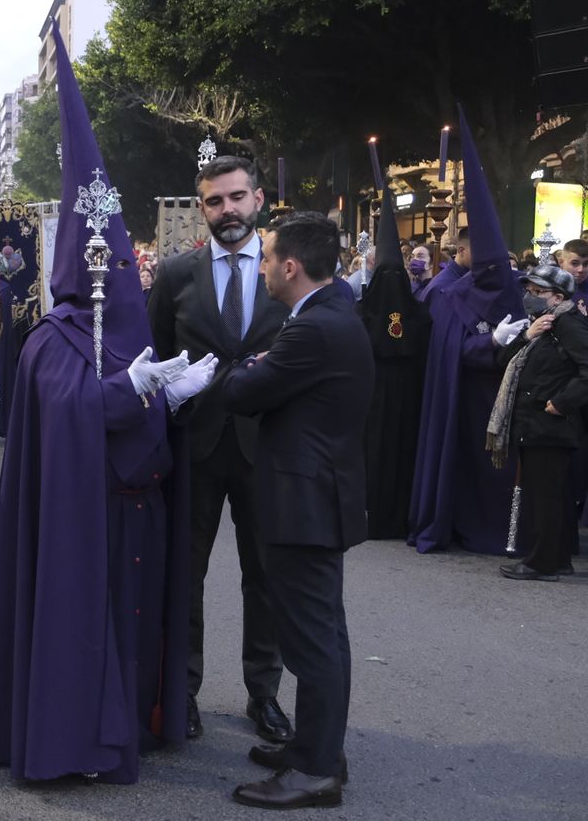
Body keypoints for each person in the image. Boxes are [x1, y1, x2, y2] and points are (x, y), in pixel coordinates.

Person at [0, 40, 207, 780]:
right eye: (104, 260)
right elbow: (63, 409)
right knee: (85, 625)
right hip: (82, 516)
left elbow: (137, 400)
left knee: (135, 623)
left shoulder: (131, 322)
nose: (118, 273)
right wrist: (134, 389)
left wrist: (169, 392)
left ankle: (134, 719)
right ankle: (76, 735)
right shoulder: (51, 335)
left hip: (142, 507)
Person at [223, 213, 372, 810]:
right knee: (322, 634)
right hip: (317, 495)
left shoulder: (312, 328)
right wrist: (262, 365)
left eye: (265, 259)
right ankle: (317, 748)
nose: (260, 270)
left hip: (303, 500)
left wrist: (246, 367)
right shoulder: (330, 312)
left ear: (289, 266)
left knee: (313, 642)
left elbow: (242, 393)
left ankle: (314, 770)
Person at [147, 155, 292, 743]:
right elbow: (156, 359)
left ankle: (265, 694)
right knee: (185, 573)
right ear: (201, 209)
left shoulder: (288, 270)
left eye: (236, 198)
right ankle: (181, 692)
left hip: (269, 446)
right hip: (196, 446)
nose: (227, 210)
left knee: (267, 577)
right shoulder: (176, 275)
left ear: (258, 200)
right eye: (214, 201)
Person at [408, 117, 528, 556]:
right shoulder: (450, 294)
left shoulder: (511, 289)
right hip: (465, 401)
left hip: (506, 402)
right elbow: (450, 353)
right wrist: (490, 343)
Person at [489, 265, 588, 581]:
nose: (529, 297)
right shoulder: (540, 325)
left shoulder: (569, 324)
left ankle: (541, 563)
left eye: (537, 292)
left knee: (545, 496)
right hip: (532, 422)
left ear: (557, 297)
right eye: (528, 291)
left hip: (550, 423)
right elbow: (504, 363)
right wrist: (526, 336)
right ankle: (556, 558)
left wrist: (562, 402)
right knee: (547, 493)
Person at [360, 199, 430, 541]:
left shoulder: (364, 309)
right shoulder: (417, 312)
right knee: (395, 454)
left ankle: (377, 517)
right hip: (404, 396)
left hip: (378, 394)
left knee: (381, 455)